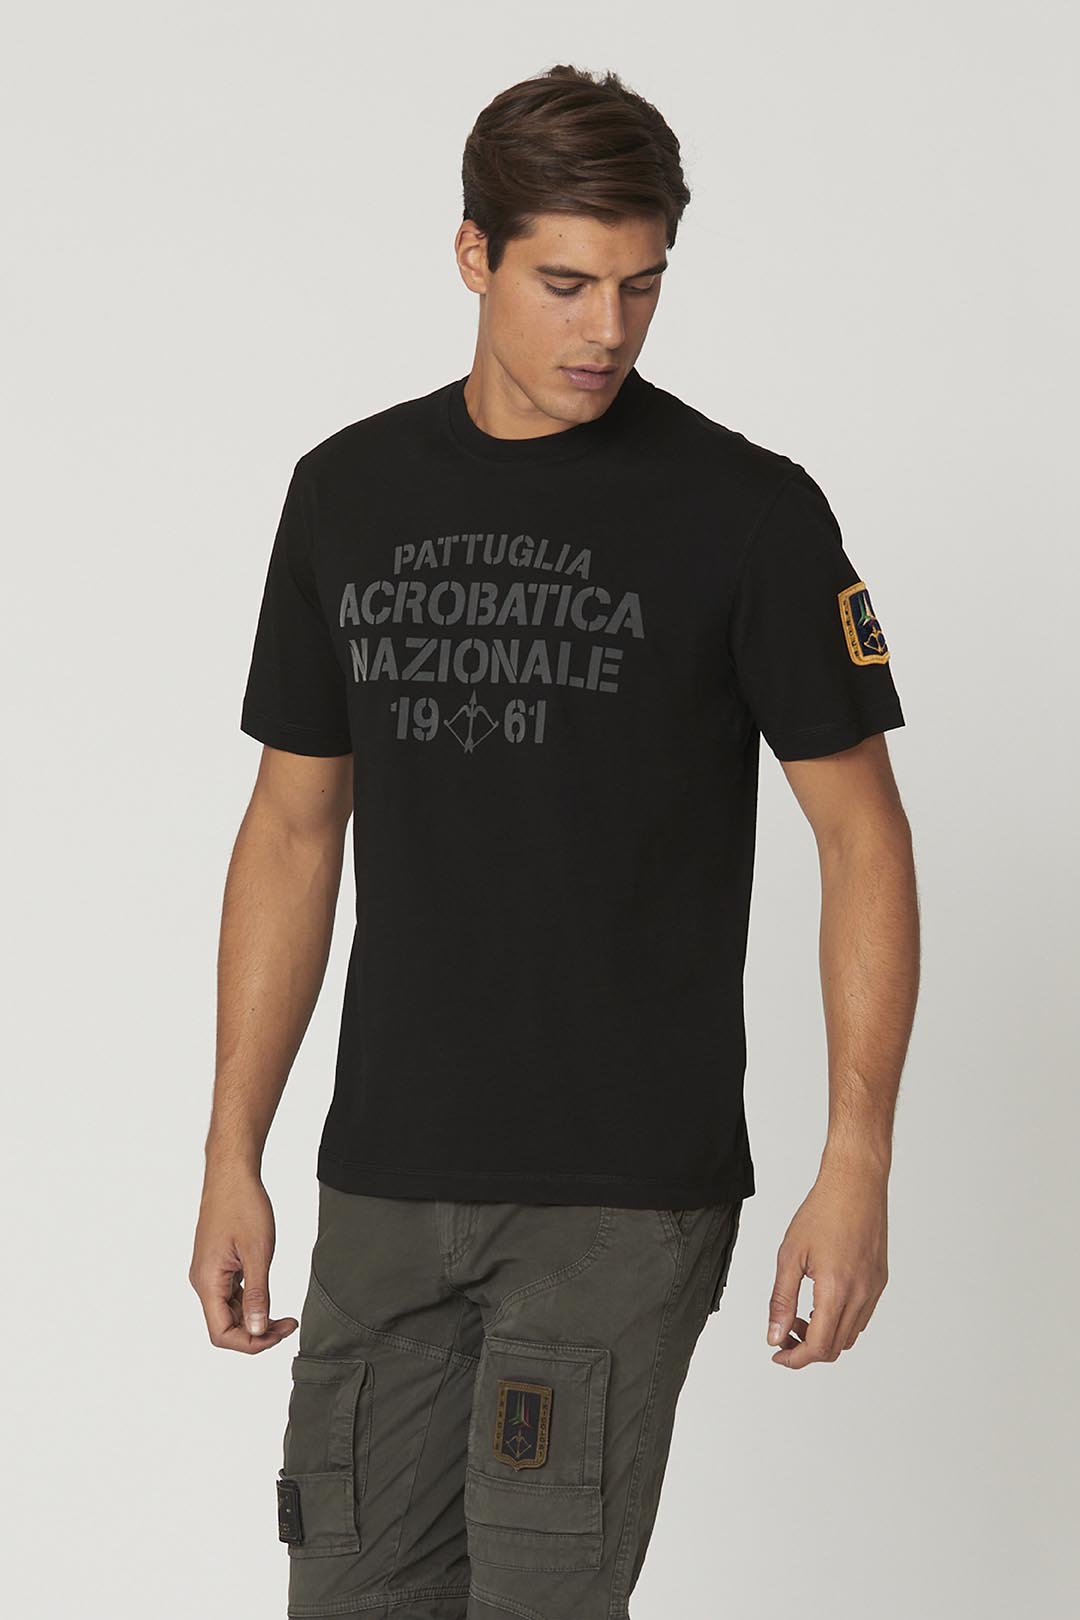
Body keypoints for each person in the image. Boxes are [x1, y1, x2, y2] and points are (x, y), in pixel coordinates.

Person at [190, 62, 919, 1620]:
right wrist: (231, 1150)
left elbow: (863, 839)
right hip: (386, 1183)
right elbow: (292, 829)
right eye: (568, 284)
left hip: (621, 1190)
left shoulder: (746, 514)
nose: (609, 330)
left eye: (642, 287)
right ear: (475, 255)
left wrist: (854, 1158)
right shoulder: (347, 494)